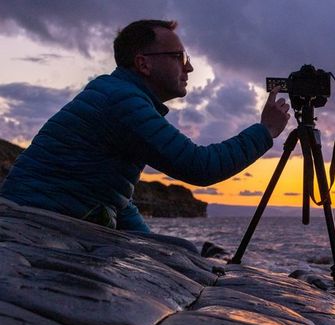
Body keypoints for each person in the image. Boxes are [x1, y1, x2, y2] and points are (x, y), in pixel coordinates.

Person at [0, 19, 290, 233]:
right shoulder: (121, 101)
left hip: (34, 217)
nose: (188, 68)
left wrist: (151, 244)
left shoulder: (117, 94)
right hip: (33, 224)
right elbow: (200, 166)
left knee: (180, 254)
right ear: (143, 64)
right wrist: (265, 131)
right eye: (179, 57)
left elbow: (113, 196)